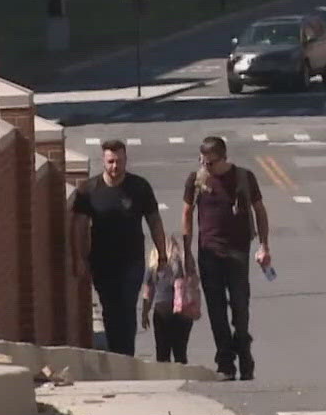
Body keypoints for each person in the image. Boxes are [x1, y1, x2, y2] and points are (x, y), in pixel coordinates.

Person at [182, 136, 271, 381]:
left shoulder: (243, 177)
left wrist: (264, 246)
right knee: (216, 310)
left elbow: (260, 211)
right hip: (208, 253)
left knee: (240, 308)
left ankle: (243, 351)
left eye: (210, 163)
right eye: (202, 161)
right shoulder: (196, 180)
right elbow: (187, 213)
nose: (205, 167)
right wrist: (187, 252)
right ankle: (225, 361)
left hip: (237, 253)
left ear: (223, 158)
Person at [68, 139, 167, 359]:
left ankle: (126, 355)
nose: (115, 166)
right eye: (111, 161)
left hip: (132, 260)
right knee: (110, 310)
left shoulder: (139, 187)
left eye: (119, 161)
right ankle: (116, 354)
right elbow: (78, 226)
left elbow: (154, 221)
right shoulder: (89, 190)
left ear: (125, 160)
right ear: (103, 161)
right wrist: (78, 259)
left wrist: (162, 254)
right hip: (102, 262)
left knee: (127, 307)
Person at [141, 236, 195, 364]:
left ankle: (165, 379)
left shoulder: (153, 266)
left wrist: (145, 314)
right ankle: (181, 376)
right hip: (182, 311)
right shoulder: (182, 265)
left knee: (162, 352)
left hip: (161, 311)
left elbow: (147, 294)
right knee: (180, 352)